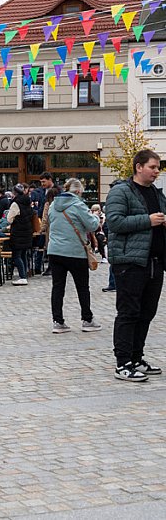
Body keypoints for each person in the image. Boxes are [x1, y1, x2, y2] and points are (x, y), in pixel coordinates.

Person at [105, 149, 166, 382]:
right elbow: (115, 222)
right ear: (139, 167)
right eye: (153, 167)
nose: (156, 171)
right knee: (129, 312)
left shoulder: (155, 193)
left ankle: (137, 357)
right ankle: (123, 363)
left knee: (146, 313)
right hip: (130, 263)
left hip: (154, 262)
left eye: (158, 167)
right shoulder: (121, 191)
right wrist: (148, 221)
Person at [46, 178, 102, 334]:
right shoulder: (78, 205)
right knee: (82, 287)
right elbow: (93, 225)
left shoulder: (52, 205)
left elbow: (50, 223)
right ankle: (87, 319)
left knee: (57, 287)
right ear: (77, 191)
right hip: (75, 252)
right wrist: (96, 216)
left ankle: (58, 321)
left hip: (55, 251)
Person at [6, 184, 34, 286]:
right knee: (23, 255)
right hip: (27, 231)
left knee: (16, 256)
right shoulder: (27, 202)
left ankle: (22, 277)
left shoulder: (15, 203)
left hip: (18, 232)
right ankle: (24, 275)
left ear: (14, 193)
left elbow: (9, 219)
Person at [31, 172, 55, 274]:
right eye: (41, 182)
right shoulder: (42, 191)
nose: (42, 184)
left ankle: (51, 266)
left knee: (51, 244)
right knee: (42, 244)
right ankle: (38, 267)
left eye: (44, 181)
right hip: (42, 220)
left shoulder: (56, 191)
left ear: (50, 179)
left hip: (52, 221)